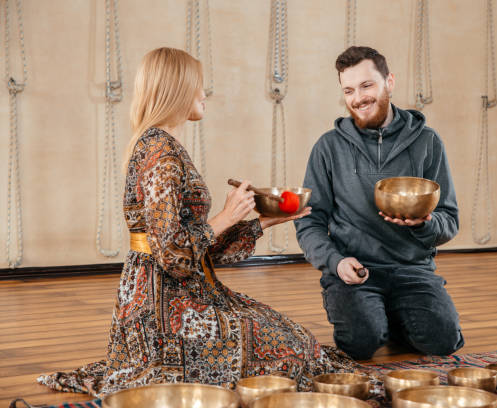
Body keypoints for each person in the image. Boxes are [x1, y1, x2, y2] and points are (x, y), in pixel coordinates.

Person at [38, 47, 366, 397]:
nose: (204, 94)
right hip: (161, 308)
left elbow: (200, 252)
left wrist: (263, 223)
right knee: (291, 350)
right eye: (199, 86)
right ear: (177, 89)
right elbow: (172, 255)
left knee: (294, 337)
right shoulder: (159, 152)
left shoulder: (164, 145)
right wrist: (225, 216)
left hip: (188, 289)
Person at [295, 46, 464, 360]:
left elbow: (449, 219)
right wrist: (335, 262)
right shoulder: (328, 147)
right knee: (361, 343)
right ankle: (375, 318)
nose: (358, 98)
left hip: (411, 269)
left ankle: (397, 318)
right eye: (349, 90)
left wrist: (425, 225)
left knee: (444, 342)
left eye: (366, 85)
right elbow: (309, 220)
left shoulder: (427, 142)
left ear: (389, 82)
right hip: (355, 269)